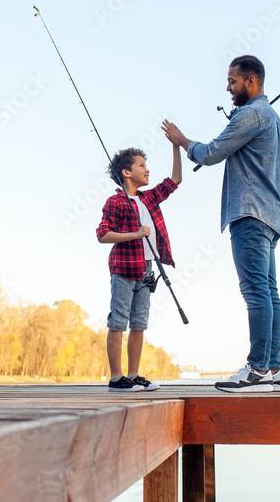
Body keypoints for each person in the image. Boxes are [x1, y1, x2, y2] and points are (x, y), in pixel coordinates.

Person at [162, 55, 280, 393]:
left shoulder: (251, 115)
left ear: (251, 81)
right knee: (269, 291)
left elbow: (210, 153)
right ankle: (272, 369)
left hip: (249, 213)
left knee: (255, 291)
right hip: (271, 217)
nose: (228, 88)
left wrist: (181, 140)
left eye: (233, 81)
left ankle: (257, 369)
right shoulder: (272, 118)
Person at [96, 141, 182, 392]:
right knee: (118, 321)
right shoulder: (116, 201)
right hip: (123, 268)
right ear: (126, 172)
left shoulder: (149, 198)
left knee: (139, 323)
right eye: (141, 166)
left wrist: (176, 146)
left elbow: (175, 180)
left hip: (146, 269)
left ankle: (133, 375)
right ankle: (116, 378)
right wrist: (134, 234)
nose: (147, 170)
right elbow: (103, 234)